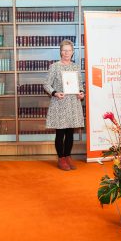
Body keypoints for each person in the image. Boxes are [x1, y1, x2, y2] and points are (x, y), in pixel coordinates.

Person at [43, 39, 85, 171]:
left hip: (73, 103)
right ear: (60, 52)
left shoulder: (75, 67)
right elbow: (46, 84)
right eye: (64, 50)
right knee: (60, 133)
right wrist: (55, 93)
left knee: (70, 133)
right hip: (59, 103)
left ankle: (68, 156)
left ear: (73, 52)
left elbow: (80, 84)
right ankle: (61, 158)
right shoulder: (54, 67)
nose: (66, 53)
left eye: (69, 50)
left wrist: (81, 93)